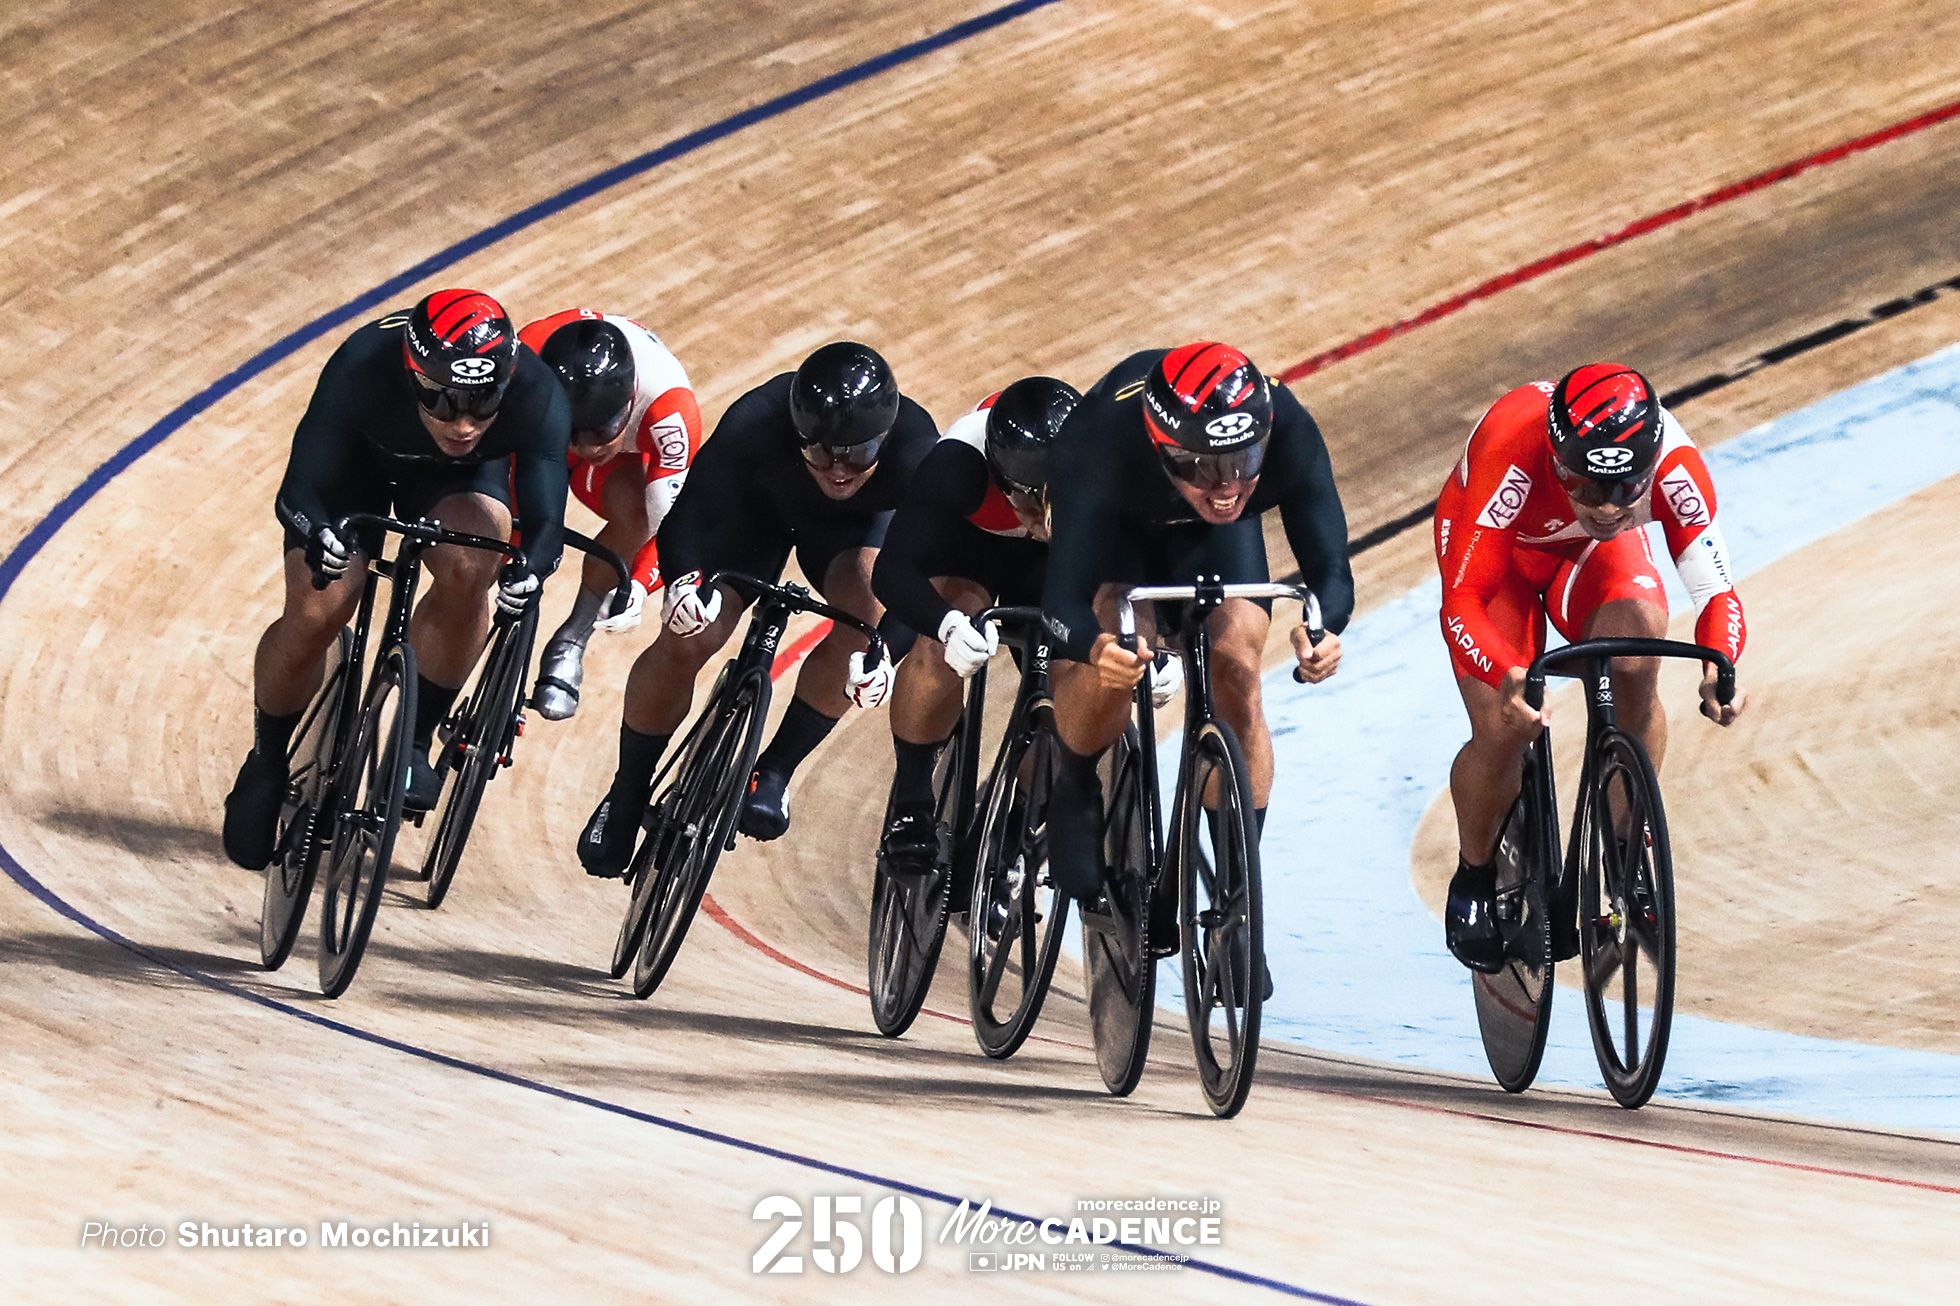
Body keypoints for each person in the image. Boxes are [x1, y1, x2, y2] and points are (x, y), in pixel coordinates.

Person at [221, 288, 570, 869]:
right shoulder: (362, 363)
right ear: (412, 377)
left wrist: (531, 570)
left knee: (471, 566)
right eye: (443, 402)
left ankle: (412, 739)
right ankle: (268, 757)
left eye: (483, 405)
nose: (463, 423)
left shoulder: (537, 392)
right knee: (318, 608)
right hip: (354, 466)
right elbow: (299, 489)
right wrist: (319, 534)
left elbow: (545, 520)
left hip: (454, 481)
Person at [576, 341, 937, 877]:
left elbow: (917, 571)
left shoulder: (917, 450)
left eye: (855, 456)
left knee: (865, 616)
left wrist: (886, 652)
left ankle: (774, 772)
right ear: (796, 433)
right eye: (818, 453)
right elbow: (690, 515)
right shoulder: (759, 417)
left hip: (848, 536)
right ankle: (626, 792)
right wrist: (684, 586)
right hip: (755, 516)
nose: (837, 471)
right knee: (690, 635)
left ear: (884, 439)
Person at [1433, 362, 1748, 972]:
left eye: (1625, 489)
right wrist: (1506, 672)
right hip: (1498, 557)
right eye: (1582, 483)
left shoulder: (1677, 465)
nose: (1605, 506)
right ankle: (1473, 875)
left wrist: (1722, 664)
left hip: (1585, 559)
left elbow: (1717, 594)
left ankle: (1627, 848)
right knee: (1505, 726)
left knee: (1638, 644)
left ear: (1650, 466)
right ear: (1555, 459)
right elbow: (1464, 602)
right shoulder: (1514, 447)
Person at [1042, 343, 1355, 956]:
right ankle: (1076, 782)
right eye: (1203, 466)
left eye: (1243, 461)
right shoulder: (1101, 443)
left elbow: (1330, 566)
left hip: (1215, 543)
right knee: (1119, 650)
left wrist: (1321, 627)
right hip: (1119, 530)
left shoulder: (1284, 425)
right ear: (1163, 447)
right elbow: (1061, 602)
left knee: (1238, 668)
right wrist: (1092, 646)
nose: (1226, 484)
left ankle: (1237, 892)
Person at [868, 376, 1081, 876]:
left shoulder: (1105, 465)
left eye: (1055, 500)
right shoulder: (956, 465)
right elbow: (893, 571)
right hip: (972, 545)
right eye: (1031, 503)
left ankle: (1014, 828)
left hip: (1055, 561)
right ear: (1002, 479)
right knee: (941, 641)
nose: (1040, 519)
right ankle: (913, 802)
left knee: (1076, 685)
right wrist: (944, 626)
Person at [516, 309, 703, 721]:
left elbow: (673, 531)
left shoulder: (670, 412)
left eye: (602, 431)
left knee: (637, 516)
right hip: (539, 428)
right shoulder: (527, 357)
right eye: (576, 434)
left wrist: (638, 585)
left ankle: (572, 639)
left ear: (631, 400)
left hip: (612, 456)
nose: (587, 447)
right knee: (503, 532)